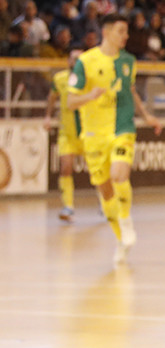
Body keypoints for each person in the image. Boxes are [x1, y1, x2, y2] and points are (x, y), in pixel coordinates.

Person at [67, 12, 163, 265]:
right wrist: (91, 96)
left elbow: (131, 90)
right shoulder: (85, 62)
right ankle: (121, 237)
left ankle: (126, 219)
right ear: (106, 32)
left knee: (120, 174)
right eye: (121, 31)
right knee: (105, 192)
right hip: (93, 134)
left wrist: (147, 116)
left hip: (122, 126)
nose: (126, 36)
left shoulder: (129, 61)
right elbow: (70, 101)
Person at [44, 48, 84, 223]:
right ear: (68, 61)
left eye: (80, 60)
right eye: (74, 59)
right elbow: (52, 97)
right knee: (66, 167)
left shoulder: (90, 80)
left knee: (100, 171)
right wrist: (47, 116)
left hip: (87, 133)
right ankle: (68, 205)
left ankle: (105, 204)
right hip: (66, 133)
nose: (76, 63)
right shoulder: (59, 79)